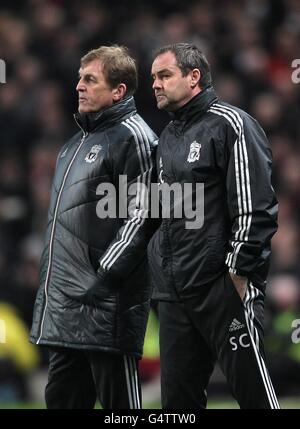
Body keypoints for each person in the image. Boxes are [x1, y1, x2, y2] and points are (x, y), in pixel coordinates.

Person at [148, 43, 280, 409]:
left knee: (253, 393)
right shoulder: (167, 138)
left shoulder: (231, 124)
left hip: (221, 285)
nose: (155, 84)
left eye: (164, 75)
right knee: (177, 404)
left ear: (193, 77)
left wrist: (238, 272)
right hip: (175, 293)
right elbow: (163, 213)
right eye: (153, 78)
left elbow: (256, 207)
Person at [30, 45, 157, 409]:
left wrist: (102, 278)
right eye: (79, 79)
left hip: (107, 306)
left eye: (90, 80)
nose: (79, 87)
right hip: (67, 308)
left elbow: (145, 215)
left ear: (118, 90)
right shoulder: (72, 145)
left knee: (122, 410)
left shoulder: (135, 137)